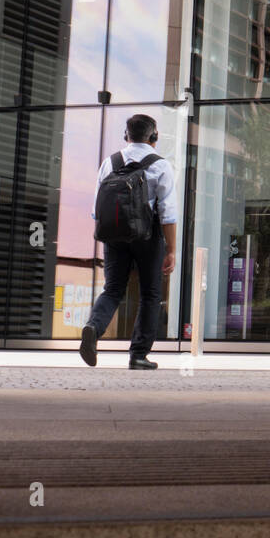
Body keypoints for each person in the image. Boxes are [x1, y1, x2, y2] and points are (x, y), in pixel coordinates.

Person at [79, 114, 178, 370]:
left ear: (127, 136)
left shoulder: (109, 162)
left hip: (113, 235)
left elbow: (95, 210)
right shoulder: (161, 165)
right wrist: (172, 250)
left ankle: (93, 327)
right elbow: (167, 213)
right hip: (147, 236)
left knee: (112, 289)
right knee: (150, 294)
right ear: (153, 136)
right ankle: (138, 355)